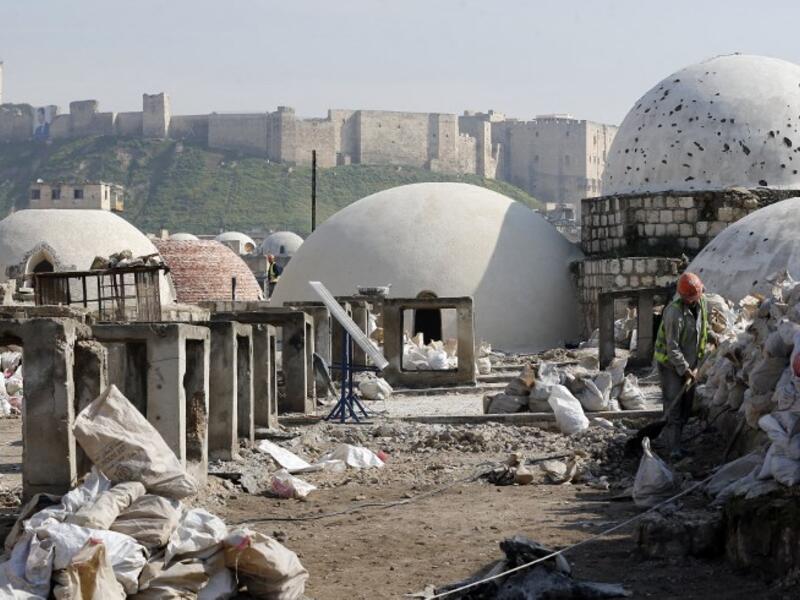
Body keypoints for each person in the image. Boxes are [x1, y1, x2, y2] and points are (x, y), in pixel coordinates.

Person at [653, 271, 708, 460]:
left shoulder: (702, 304)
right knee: (673, 406)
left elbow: (703, 328)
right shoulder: (673, 312)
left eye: (696, 296)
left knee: (686, 406)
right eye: (690, 297)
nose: (694, 299)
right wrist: (684, 370)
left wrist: (713, 339)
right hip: (670, 365)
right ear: (683, 296)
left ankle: (677, 442)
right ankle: (672, 448)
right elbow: (672, 347)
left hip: (690, 364)